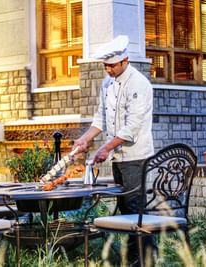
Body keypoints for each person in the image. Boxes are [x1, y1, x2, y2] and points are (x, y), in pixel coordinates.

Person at [72, 35, 155, 266]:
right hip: (119, 156)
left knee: (135, 209)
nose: (107, 70)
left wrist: (105, 148)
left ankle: (145, 259)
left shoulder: (139, 84)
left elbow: (131, 128)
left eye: (112, 65)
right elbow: (100, 118)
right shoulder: (106, 83)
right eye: (105, 66)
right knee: (126, 208)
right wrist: (84, 139)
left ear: (125, 60)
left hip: (136, 156)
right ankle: (132, 259)